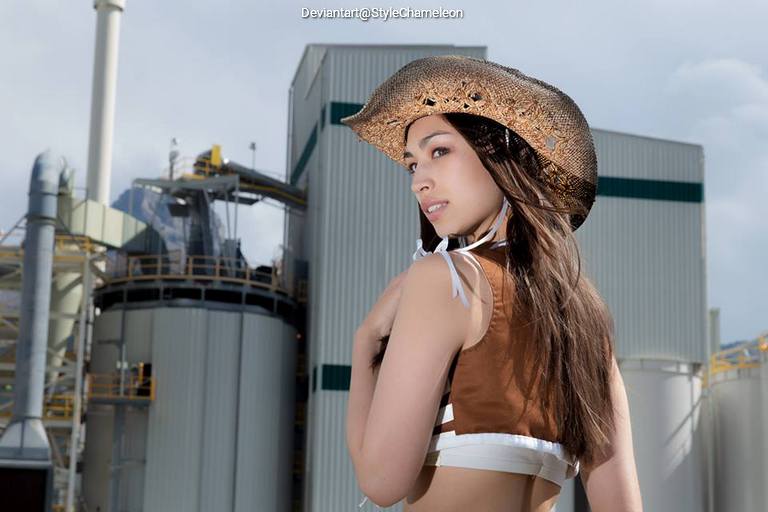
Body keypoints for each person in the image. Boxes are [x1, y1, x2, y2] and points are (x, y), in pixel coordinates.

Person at [342, 55, 642, 511]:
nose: (419, 182)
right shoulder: (585, 319)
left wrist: (365, 343)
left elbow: (382, 482)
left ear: (498, 156)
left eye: (439, 151)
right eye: (412, 165)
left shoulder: (446, 280)